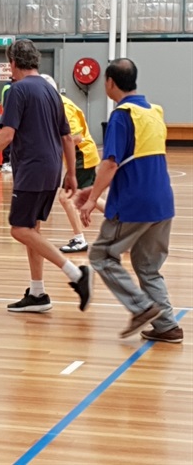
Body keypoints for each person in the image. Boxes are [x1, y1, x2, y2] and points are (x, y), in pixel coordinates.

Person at [0, 39, 93, 313]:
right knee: (32, 229)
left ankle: (76, 275)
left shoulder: (17, 91)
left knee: (19, 229)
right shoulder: (51, 90)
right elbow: (67, 137)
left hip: (32, 169)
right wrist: (70, 173)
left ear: (13, 64)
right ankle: (38, 293)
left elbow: (7, 134)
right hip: (52, 168)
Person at [75, 58, 183, 342]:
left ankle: (141, 308)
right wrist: (93, 191)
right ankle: (167, 325)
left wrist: (90, 200)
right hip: (163, 202)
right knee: (147, 266)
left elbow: (111, 164)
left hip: (135, 204)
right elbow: (136, 163)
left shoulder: (122, 115)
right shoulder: (154, 111)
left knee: (101, 255)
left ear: (110, 82)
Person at [41, 74, 105, 253]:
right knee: (86, 196)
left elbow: (76, 137)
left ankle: (79, 239)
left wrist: (51, 146)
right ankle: (124, 220)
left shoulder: (65, 107)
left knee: (65, 197)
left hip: (81, 154)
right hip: (80, 155)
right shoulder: (52, 105)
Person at [0, 79, 13, 173]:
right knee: (7, 140)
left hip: (9, 116)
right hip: (9, 117)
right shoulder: (9, 88)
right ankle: (6, 162)